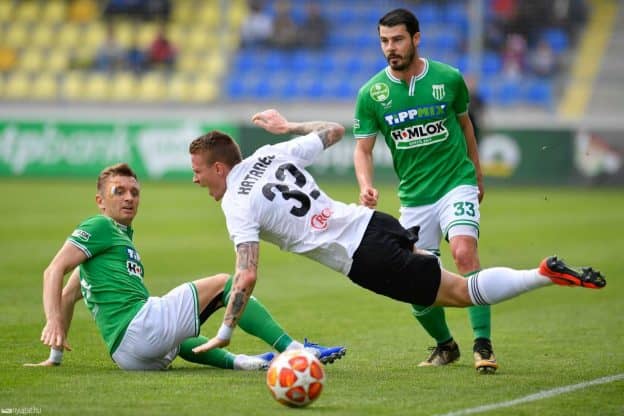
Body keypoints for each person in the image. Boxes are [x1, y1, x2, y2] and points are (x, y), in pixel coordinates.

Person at [187, 108, 605, 358]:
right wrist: (288, 125)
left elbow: (246, 274)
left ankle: (543, 274)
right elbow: (334, 131)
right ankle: (446, 347)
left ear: (219, 168)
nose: (195, 180)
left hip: (364, 258)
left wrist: (225, 332)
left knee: (461, 292)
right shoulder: (270, 153)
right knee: (440, 281)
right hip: (375, 223)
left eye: (198, 171)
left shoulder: (236, 203)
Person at [26, 163, 345, 370]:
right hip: (139, 330)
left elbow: (69, 295)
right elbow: (53, 270)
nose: (129, 198)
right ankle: (294, 350)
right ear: (100, 201)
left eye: (134, 192)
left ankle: (244, 363)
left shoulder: (110, 246)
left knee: (176, 334)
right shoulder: (100, 226)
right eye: (119, 192)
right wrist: (52, 322)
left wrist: (55, 356)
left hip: (130, 357)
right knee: (226, 283)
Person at [352, 8, 495, 372]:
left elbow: (466, 127)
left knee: (464, 252)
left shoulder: (448, 78)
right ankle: (446, 346)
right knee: (413, 278)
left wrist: (477, 175)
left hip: (455, 182)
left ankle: (483, 344)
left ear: (416, 38)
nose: (391, 47)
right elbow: (363, 149)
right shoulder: (371, 94)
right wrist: (366, 185)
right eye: (384, 41)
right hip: (415, 197)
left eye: (398, 39)